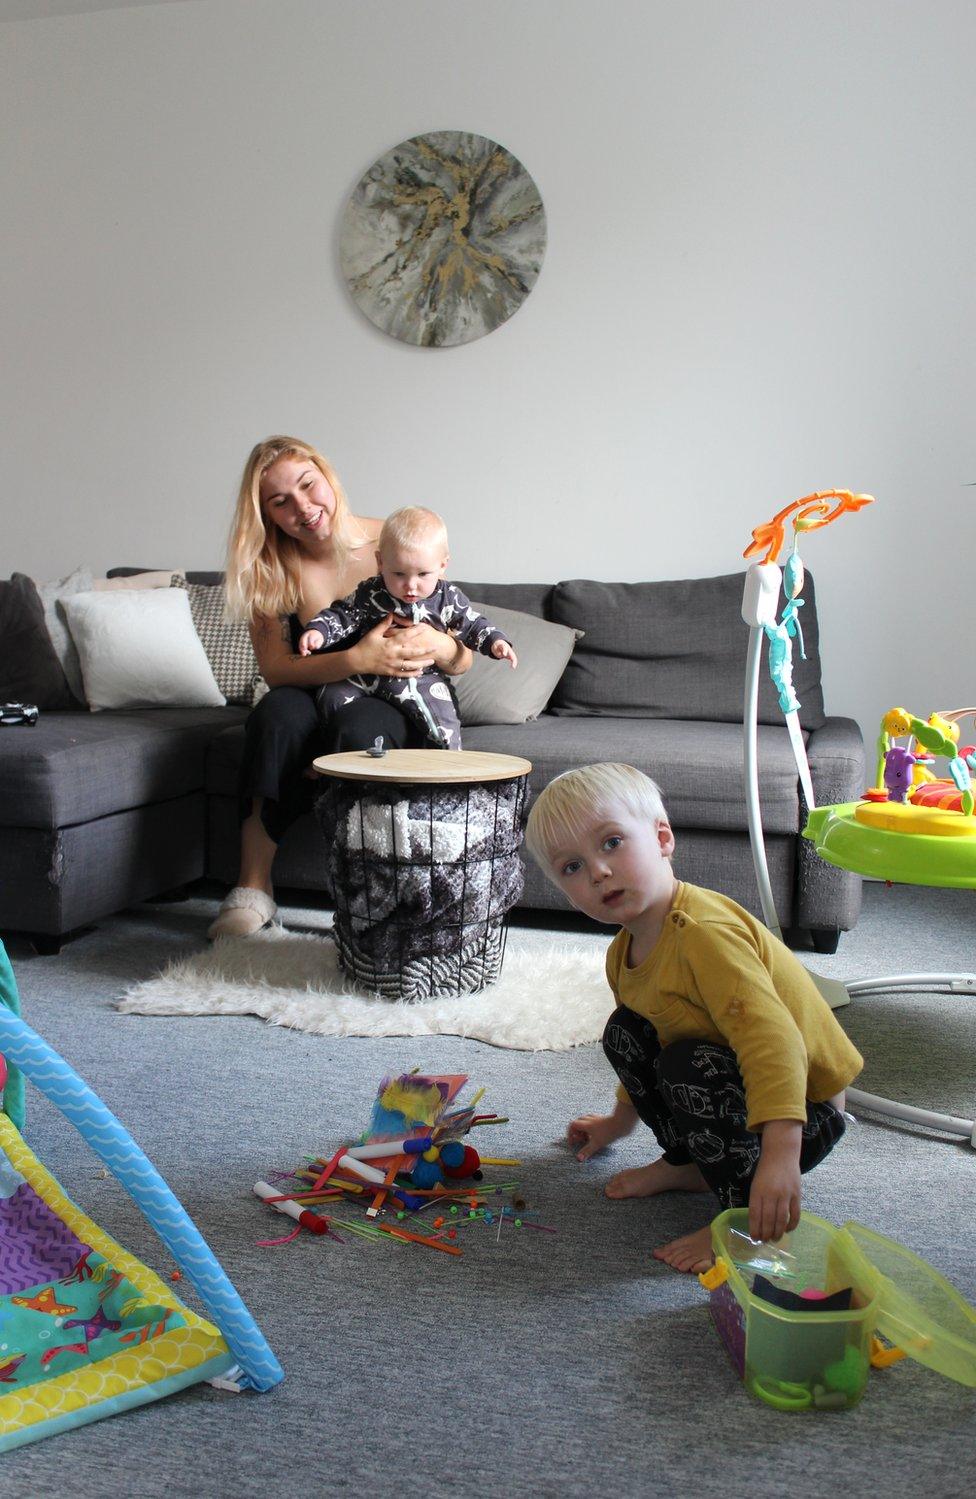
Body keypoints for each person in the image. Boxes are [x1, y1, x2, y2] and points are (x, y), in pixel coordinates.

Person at [523, 763, 863, 1274]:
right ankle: (690, 1164)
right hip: (733, 1084)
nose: (597, 871)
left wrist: (779, 1156)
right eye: (572, 867)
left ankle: (743, 1216)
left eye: (612, 842)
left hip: (805, 1110)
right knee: (626, 1033)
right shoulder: (624, 953)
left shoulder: (705, 934)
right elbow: (650, 1041)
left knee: (687, 1064)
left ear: (662, 838)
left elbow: (775, 1043)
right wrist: (619, 1121)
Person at [209, 436, 473, 939]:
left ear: (327, 477)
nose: (303, 508)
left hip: (398, 695)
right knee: (274, 716)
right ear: (265, 514)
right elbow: (275, 669)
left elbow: (462, 659)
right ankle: (253, 887)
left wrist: (438, 646)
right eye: (279, 501)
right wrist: (354, 658)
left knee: (362, 728)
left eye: (308, 486)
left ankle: (369, 895)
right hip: (314, 690)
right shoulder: (271, 565)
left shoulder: (396, 539)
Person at [298, 506, 517, 751]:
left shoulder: (447, 597)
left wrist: (496, 642)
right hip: (367, 673)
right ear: (380, 562)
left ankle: (451, 769)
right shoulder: (371, 591)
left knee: (443, 720)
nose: (410, 586)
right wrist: (319, 631)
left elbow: (473, 623)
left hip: (419, 678)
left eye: (423, 574)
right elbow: (343, 614)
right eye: (399, 573)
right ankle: (324, 759)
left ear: (443, 565)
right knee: (330, 695)